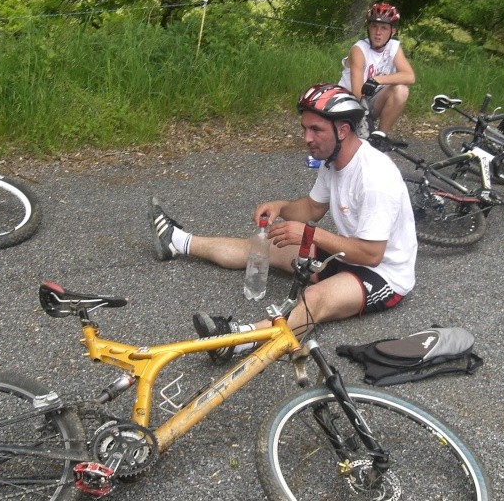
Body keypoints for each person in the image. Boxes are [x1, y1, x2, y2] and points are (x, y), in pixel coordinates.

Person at [148, 83, 418, 363]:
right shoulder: (333, 160)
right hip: (348, 252)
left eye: (316, 130)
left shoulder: (375, 177)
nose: (306, 138)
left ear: (343, 130)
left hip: (384, 274)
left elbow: (372, 255)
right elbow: (312, 207)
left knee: (314, 299)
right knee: (261, 247)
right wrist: (281, 208)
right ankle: (177, 241)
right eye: (305, 129)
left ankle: (238, 340)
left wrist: (310, 234)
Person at [338, 2, 415, 139]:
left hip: (371, 101)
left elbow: (409, 76)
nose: (378, 33)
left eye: (384, 28)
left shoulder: (393, 47)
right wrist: (364, 121)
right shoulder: (359, 49)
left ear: (393, 32)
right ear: (368, 28)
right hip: (348, 103)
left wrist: (377, 79)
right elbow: (357, 93)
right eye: (374, 27)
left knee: (401, 90)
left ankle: (380, 137)